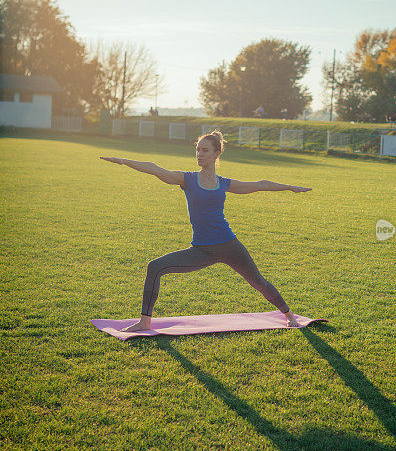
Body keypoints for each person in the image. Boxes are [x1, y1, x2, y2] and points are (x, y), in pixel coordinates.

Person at [100, 130, 311, 331]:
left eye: (205, 151)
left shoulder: (224, 183)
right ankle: (145, 322)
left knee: (258, 282)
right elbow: (155, 168)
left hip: (229, 246)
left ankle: (290, 316)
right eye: (197, 150)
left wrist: (290, 187)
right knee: (155, 267)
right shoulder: (187, 179)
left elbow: (260, 184)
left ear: (216, 154)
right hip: (201, 250)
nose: (199, 155)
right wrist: (124, 161)